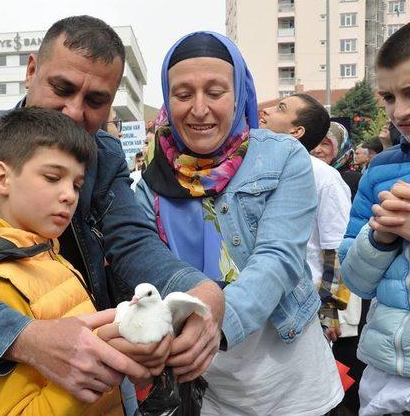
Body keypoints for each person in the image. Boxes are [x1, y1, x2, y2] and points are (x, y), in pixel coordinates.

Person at [0, 15, 224, 416]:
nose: (73, 112)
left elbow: (134, 241)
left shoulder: (105, 155)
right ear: (31, 70)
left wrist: (203, 292)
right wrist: (25, 337)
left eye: (95, 101)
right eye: (62, 88)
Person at [134, 31, 343, 415]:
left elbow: (277, 257)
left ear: (239, 93)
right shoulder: (151, 184)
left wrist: (215, 324)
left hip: (295, 391)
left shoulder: (282, 157)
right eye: (183, 94)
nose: (199, 109)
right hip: (209, 392)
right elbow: (147, 266)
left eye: (215, 92)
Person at [0, 107, 130, 415]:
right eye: (52, 177)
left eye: (76, 184)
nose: (69, 195)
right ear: (2, 178)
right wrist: (97, 369)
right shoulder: (1, 282)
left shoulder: (47, 252)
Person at [339, 23, 410, 416]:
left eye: (409, 93)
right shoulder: (380, 170)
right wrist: (379, 238)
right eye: (388, 97)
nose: (399, 111)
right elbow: (356, 282)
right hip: (382, 373)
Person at [260, 93, 352, 337]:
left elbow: (336, 249)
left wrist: (328, 310)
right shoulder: (255, 168)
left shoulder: (325, 178)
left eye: (280, 108)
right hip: (260, 302)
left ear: (296, 131)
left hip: (305, 306)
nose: (266, 111)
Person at [312, 122, 362, 201]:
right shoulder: (306, 175)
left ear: (340, 146)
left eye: (325, 144)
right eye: (313, 143)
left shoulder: (353, 180)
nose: (316, 150)